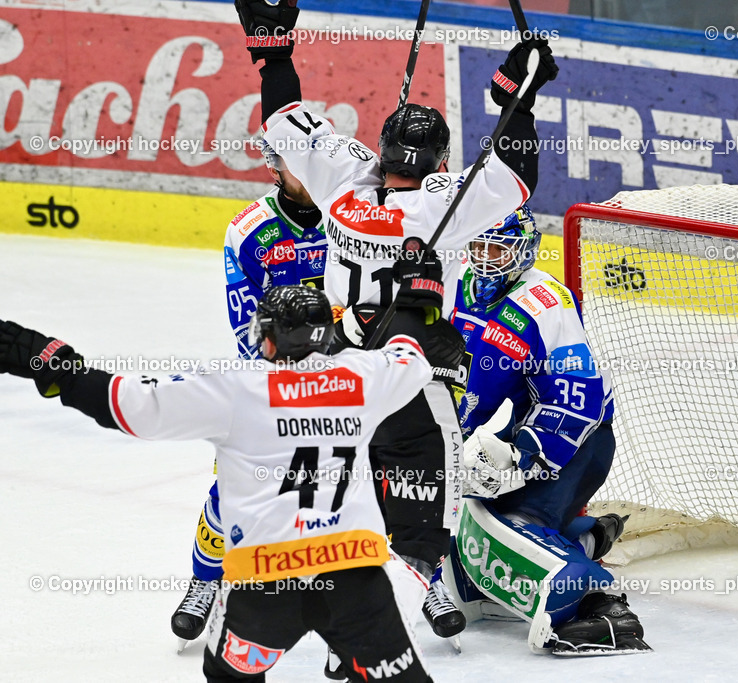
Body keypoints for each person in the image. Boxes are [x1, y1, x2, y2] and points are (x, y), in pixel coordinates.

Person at [232, 0, 559, 668]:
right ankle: (362, 638)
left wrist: (271, 45)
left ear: (380, 149)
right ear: (437, 161)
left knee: (337, 510)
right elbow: (517, 174)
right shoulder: (443, 204)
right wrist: (518, 94)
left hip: (333, 378)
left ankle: (284, 627)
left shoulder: (343, 180)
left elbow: (285, 118)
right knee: (420, 538)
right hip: (410, 385)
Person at [0, 274, 454, 681]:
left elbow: (130, 406)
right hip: (356, 575)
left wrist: (54, 364)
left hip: (265, 582)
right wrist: (420, 293)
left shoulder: (234, 387)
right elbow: (409, 355)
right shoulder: (363, 375)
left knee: (229, 677)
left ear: (271, 339)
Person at [435, 206, 650, 655]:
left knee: (509, 527)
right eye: (478, 246)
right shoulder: (457, 281)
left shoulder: (546, 303)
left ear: (525, 251)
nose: (484, 258)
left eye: (497, 249)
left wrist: (525, 456)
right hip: (506, 434)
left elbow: (581, 399)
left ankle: (605, 605)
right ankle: (585, 534)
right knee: (468, 530)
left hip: (575, 443)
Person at [171, 137, 330, 646]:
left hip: (346, 371)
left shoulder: (349, 216)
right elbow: (248, 331)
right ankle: (205, 580)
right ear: (275, 166)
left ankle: (412, 584)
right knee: (236, 485)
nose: (304, 172)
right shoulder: (249, 231)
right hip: (274, 374)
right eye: (293, 163)